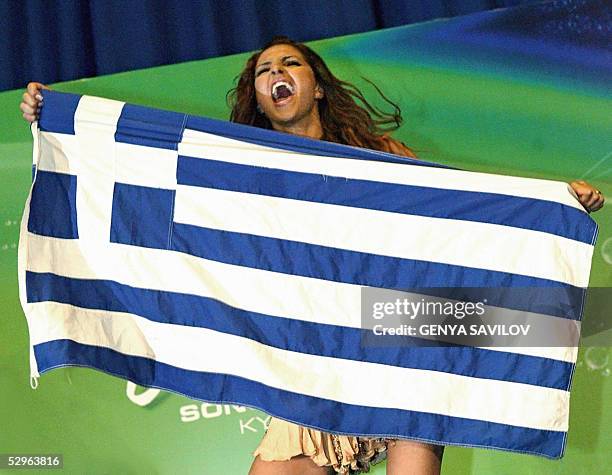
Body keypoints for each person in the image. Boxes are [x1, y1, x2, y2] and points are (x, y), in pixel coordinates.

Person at [20, 36, 605, 475]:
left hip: (393, 333)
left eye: (289, 64)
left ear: (316, 85)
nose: (275, 73)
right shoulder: (238, 168)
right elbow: (143, 176)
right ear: (258, 96)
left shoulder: (378, 152)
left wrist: (556, 199)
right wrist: (54, 115)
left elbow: (460, 212)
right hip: (308, 348)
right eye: (263, 71)